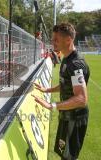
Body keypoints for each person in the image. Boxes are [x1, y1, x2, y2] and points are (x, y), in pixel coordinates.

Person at [32, 23, 90, 160]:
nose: (52, 42)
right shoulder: (66, 58)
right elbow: (66, 83)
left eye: (56, 39)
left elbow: (81, 98)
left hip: (75, 119)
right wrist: (48, 89)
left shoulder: (75, 64)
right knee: (63, 153)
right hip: (67, 115)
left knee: (68, 157)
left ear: (68, 40)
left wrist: (52, 105)